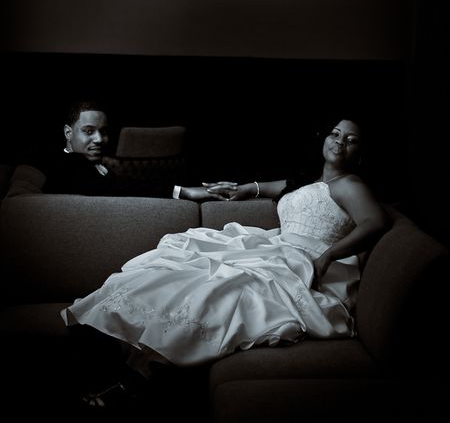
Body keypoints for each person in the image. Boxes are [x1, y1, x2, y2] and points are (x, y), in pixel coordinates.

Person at [60, 115, 390, 409]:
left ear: (360, 153)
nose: (340, 142)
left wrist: (329, 255)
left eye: (351, 139)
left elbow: (375, 221)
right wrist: (241, 189)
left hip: (303, 259)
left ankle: (140, 375)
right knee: (187, 271)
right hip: (278, 249)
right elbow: (274, 188)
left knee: (223, 288)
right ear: (324, 138)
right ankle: (126, 355)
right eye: (335, 133)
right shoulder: (312, 181)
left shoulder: (350, 184)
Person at [39, 99, 226, 200]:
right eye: (88, 131)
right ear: (68, 133)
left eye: (103, 132)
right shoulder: (65, 166)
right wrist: (184, 192)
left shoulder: (92, 164)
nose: (99, 139)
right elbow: (117, 188)